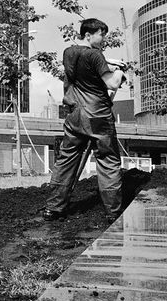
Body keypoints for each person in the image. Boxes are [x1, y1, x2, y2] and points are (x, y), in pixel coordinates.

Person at [42, 17, 126, 222]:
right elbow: (112, 84)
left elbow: (85, 65)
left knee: (66, 160)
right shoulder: (96, 55)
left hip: (74, 115)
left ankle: (53, 208)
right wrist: (120, 70)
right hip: (97, 116)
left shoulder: (68, 52)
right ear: (88, 34)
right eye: (101, 34)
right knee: (108, 161)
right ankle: (113, 212)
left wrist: (110, 61)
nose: (103, 38)